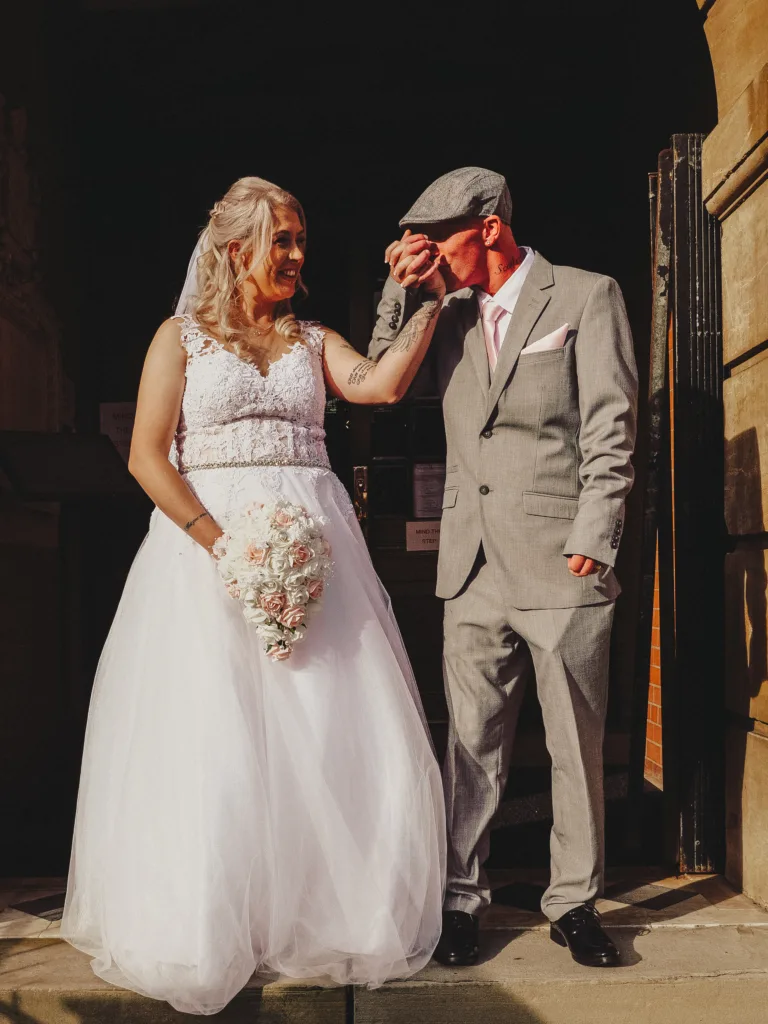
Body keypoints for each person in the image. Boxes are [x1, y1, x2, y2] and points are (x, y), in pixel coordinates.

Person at [61, 176, 447, 1015]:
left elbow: (378, 387)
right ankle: (208, 919)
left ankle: (316, 911)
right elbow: (147, 456)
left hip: (316, 548)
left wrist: (428, 302)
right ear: (236, 248)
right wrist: (221, 545)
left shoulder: (314, 339)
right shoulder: (180, 339)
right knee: (216, 733)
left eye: (301, 240)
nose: (297, 256)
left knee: (323, 723)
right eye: (283, 240)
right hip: (205, 552)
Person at [370, 167, 638, 969]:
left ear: (488, 225)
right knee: (471, 745)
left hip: (564, 557)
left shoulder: (588, 296)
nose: (427, 256)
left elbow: (612, 426)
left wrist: (597, 530)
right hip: (471, 564)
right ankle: (461, 900)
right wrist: (401, 292)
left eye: (437, 240)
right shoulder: (440, 312)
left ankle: (575, 903)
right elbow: (377, 382)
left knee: (572, 745)